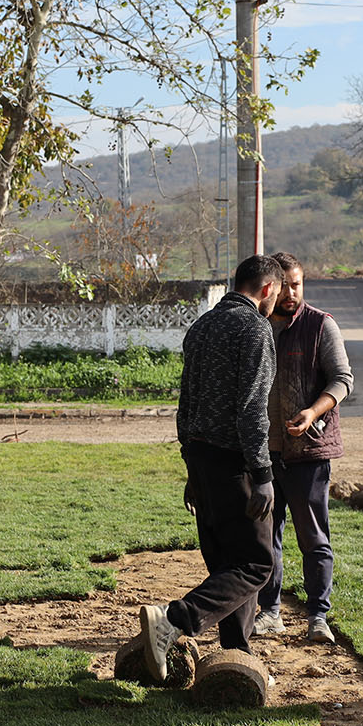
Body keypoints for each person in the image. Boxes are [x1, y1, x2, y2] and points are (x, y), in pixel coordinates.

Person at [134, 254, 284, 681]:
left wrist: (190, 466)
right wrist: (262, 475)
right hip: (235, 463)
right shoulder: (254, 329)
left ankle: (237, 654)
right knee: (256, 564)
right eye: (277, 293)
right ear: (267, 289)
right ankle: (174, 619)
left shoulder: (201, 327)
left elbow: (186, 404)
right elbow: (252, 410)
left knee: (227, 563)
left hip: (201, 458)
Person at [253, 253, 354, 646]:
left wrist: (313, 411)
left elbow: (343, 379)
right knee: (266, 537)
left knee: (313, 538)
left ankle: (318, 616)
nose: (292, 293)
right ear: (272, 287)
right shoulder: (257, 326)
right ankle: (270, 612)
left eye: (298, 285)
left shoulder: (320, 325)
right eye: (286, 286)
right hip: (264, 453)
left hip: (309, 451)